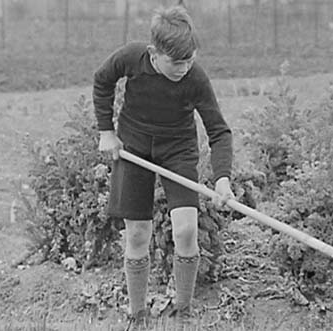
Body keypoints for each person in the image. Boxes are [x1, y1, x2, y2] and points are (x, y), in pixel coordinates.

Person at [92, 5, 235, 331]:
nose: (185, 68)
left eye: (190, 60)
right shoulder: (131, 57)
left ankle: (182, 313)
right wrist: (106, 132)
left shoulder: (195, 77)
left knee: (185, 230)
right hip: (133, 149)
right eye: (177, 62)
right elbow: (102, 80)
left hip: (178, 149)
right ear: (155, 53)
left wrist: (223, 179)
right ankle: (137, 316)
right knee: (138, 234)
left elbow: (219, 131)